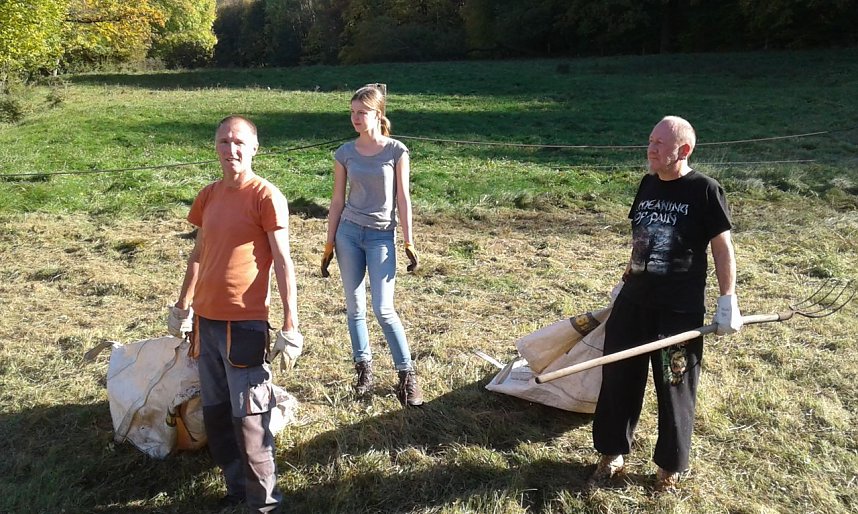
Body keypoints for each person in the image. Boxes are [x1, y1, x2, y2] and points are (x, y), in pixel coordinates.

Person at [589, 116, 743, 492]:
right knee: (617, 379)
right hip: (634, 303)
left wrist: (728, 301)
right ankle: (612, 453)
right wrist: (624, 280)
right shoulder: (646, 185)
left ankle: (669, 466)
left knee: (675, 386)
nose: (651, 149)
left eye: (660, 144)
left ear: (683, 150)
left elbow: (723, 248)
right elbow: (641, 239)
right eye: (650, 141)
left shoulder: (705, 190)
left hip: (678, 311)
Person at [167, 115, 302, 512]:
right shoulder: (208, 195)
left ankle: (265, 503)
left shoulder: (265, 196)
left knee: (250, 417)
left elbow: (283, 261)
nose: (231, 150)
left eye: (240, 142)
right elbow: (198, 255)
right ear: (215, 147)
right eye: (224, 142)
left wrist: (290, 323)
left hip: (244, 323)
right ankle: (236, 489)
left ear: (255, 147)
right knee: (217, 414)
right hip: (205, 325)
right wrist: (182, 306)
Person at [320, 85, 424, 407]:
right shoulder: (345, 153)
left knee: (383, 308)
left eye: (361, 112)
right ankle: (363, 370)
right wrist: (327, 245)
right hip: (348, 234)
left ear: (377, 114)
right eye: (352, 112)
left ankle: (407, 376)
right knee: (355, 307)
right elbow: (337, 201)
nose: (355, 118)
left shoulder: (396, 151)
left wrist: (408, 240)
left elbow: (403, 198)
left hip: (381, 236)